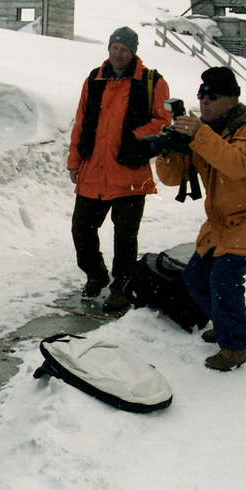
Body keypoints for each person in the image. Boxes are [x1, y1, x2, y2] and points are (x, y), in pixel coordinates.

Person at [155, 66, 246, 371]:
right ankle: (232, 322)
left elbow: (236, 164)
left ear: (231, 100)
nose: (204, 102)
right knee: (195, 277)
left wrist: (199, 134)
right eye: (201, 95)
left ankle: (236, 346)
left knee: (224, 275)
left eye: (212, 96)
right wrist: (168, 149)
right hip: (224, 224)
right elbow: (174, 179)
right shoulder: (205, 132)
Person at [67, 26, 172, 313]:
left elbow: (164, 120)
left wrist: (134, 136)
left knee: (125, 239)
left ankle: (121, 289)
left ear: (134, 51)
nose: (117, 54)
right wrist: (74, 161)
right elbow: (81, 122)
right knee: (81, 231)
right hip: (94, 170)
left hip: (130, 172)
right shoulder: (94, 79)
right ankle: (96, 274)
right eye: (114, 47)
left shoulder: (152, 82)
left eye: (124, 49)